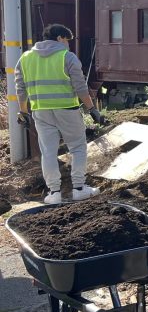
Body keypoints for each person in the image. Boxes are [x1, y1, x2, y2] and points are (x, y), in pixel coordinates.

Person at [14, 24, 105, 204]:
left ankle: (54, 193)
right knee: (77, 147)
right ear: (59, 38)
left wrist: (23, 111)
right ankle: (79, 188)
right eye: (66, 40)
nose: (68, 45)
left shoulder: (25, 58)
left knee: (48, 151)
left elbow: (21, 88)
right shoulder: (67, 57)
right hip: (67, 110)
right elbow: (80, 87)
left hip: (40, 111)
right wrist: (92, 109)